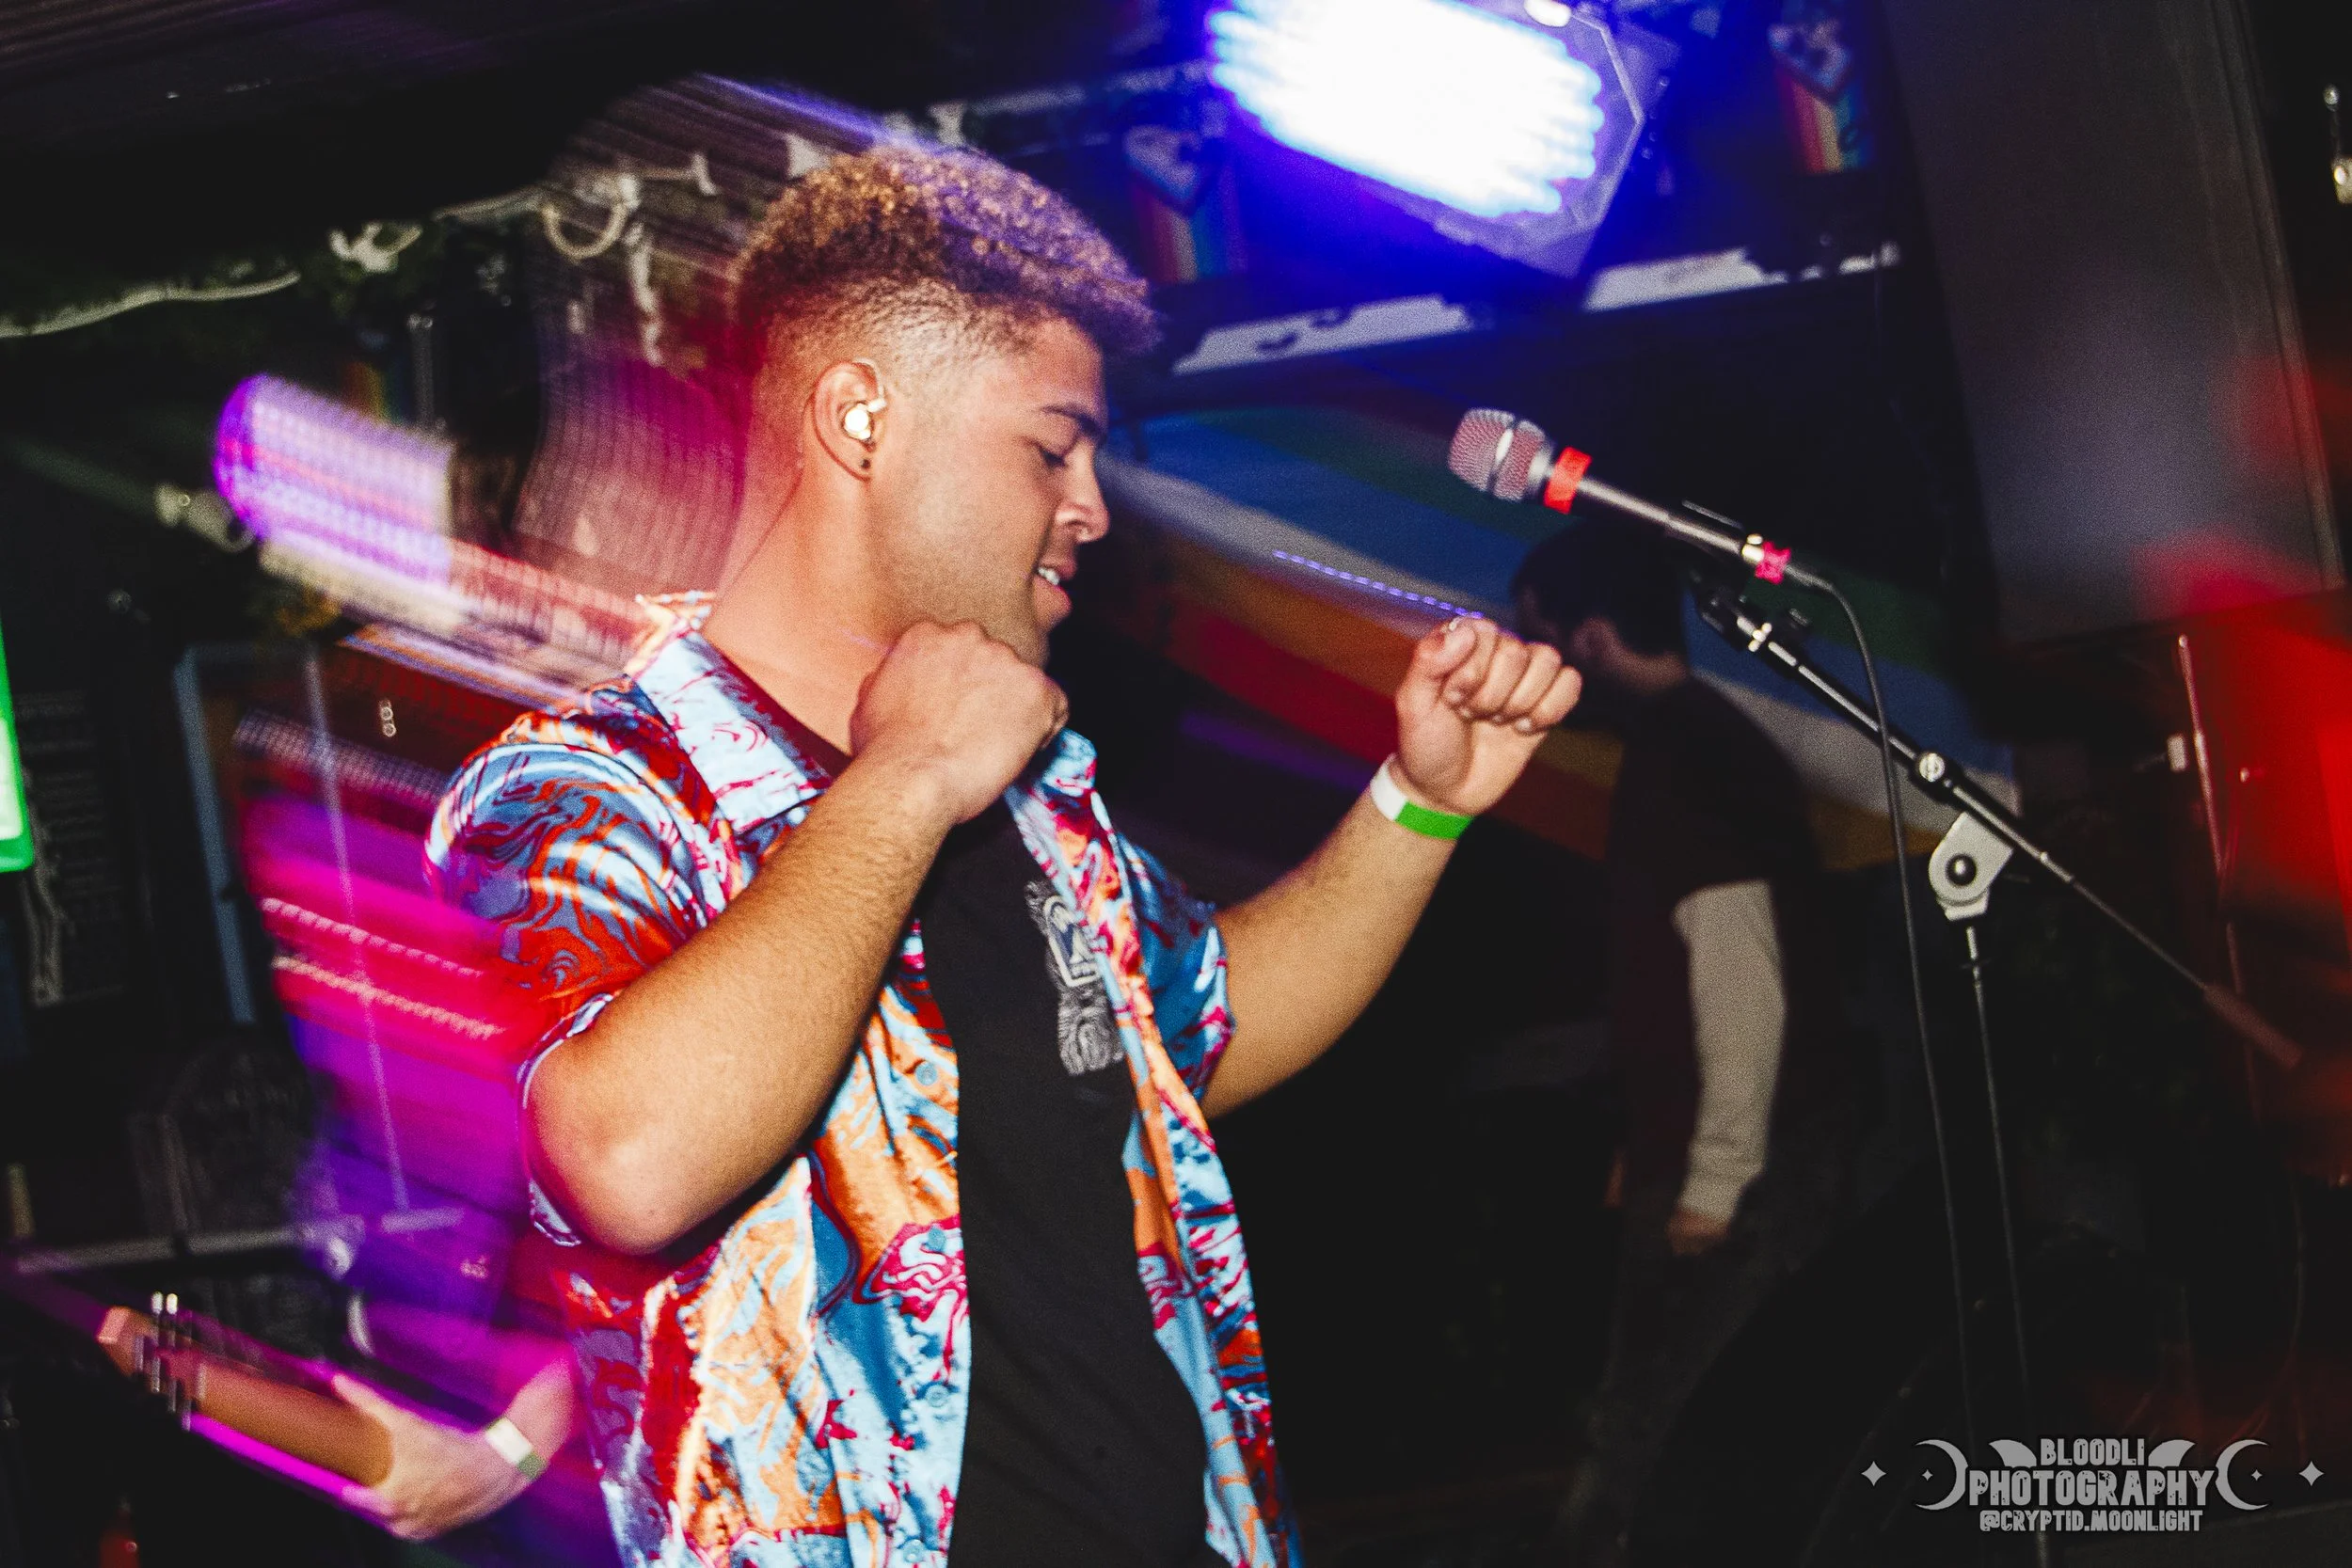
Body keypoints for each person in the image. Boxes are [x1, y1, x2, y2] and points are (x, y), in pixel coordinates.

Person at [426, 146, 1581, 1568]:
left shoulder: (1026, 787)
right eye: (1051, 445)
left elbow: (1198, 1027)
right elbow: (629, 1152)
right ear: (862, 417)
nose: (1093, 503)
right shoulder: (591, 789)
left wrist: (1416, 802)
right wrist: (904, 775)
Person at [1514, 522, 1860, 1566]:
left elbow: (1739, 974)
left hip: (1752, 1170)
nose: (1539, 662)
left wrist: (1710, 1175)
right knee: (1704, 1450)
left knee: (1653, 1450)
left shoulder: (1686, 752)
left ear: (1592, 634)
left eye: (1541, 638)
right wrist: (1652, 1137)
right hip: (1745, 1150)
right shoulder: (1701, 741)